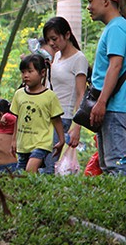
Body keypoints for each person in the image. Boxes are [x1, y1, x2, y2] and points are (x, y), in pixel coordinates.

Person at [78, 0, 126, 175]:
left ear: (106, 1)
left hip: (114, 107)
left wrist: (102, 102)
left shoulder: (117, 27)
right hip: (110, 108)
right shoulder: (115, 27)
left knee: (117, 166)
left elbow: (115, 66)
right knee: (108, 166)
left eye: (91, 0)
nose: (88, 7)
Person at [41, 16, 88, 174]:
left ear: (67, 35)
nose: (52, 43)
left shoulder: (78, 58)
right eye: (49, 40)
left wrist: (77, 126)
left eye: (54, 38)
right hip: (48, 117)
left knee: (49, 167)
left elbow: (81, 94)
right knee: (43, 164)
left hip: (63, 118)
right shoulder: (57, 57)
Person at [10, 54, 64, 173]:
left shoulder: (49, 96)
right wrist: (14, 140)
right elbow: (17, 119)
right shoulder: (19, 94)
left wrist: (61, 140)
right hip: (23, 143)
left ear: (42, 72)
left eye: (30, 71)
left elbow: (56, 119)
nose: (26, 75)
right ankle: (37, 189)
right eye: (23, 72)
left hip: (41, 142)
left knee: (30, 170)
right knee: (21, 175)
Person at [0, 99, 17, 173]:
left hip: (10, 166)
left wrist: (6, 116)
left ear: (0, 114)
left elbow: (15, 119)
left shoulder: (6, 122)